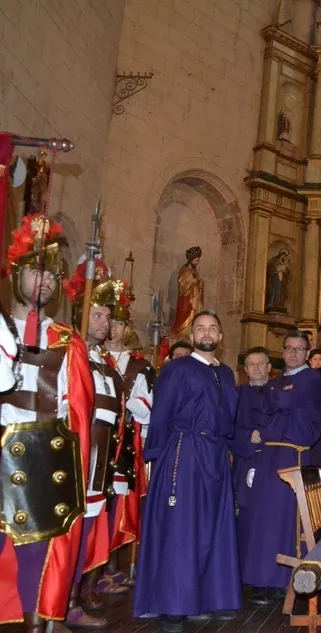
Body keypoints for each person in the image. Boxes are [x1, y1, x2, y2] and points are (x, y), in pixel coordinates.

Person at [0, 215, 94, 633]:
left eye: (53, 276)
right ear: (16, 274)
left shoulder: (67, 340)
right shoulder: (0, 327)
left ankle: (37, 625)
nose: (45, 282)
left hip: (46, 456)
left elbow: (79, 412)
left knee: (38, 556)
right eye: (36, 271)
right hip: (2, 450)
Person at [133, 311, 241, 632]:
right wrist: (156, 460)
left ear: (221, 337)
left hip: (216, 456)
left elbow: (230, 420)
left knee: (214, 527)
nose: (207, 333)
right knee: (181, 530)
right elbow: (161, 414)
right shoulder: (178, 368)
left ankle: (211, 596)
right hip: (185, 454)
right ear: (192, 336)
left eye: (212, 328)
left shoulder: (227, 373)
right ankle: (173, 606)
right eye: (200, 328)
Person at [62, 259, 129, 629]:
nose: (105, 324)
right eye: (98, 315)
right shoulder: (68, 351)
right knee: (69, 530)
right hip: (74, 457)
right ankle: (64, 600)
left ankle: (82, 590)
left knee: (91, 528)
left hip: (101, 459)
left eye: (107, 317)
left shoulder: (104, 362)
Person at [239, 332, 321, 604]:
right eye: (289, 348)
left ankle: (282, 580)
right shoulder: (275, 383)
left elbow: (283, 402)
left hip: (292, 456)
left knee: (285, 519)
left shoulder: (311, 378)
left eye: (299, 349)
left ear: (307, 354)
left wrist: (277, 398)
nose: (293, 353)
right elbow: (263, 407)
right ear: (283, 351)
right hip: (267, 455)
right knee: (262, 518)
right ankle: (259, 579)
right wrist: (278, 396)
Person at [100, 288, 154, 589]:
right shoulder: (93, 356)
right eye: (110, 322)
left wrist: (125, 400)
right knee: (97, 506)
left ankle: (110, 566)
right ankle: (95, 570)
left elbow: (145, 408)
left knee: (118, 505)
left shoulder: (138, 365)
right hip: (98, 440)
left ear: (126, 328)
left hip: (124, 445)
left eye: (119, 323)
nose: (113, 329)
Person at [233, 346, 271, 575]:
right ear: (245, 369)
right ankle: (244, 573)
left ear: (269, 367)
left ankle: (268, 574)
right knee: (246, 518)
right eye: (251, 364)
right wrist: (247, 436)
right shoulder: (236, 395)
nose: (256, 368)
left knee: (269, 519)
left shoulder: (280, 393)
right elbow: (226, 429)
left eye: (261, 363)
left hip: (273, 465)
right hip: (246, 462)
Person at [168, 247, 203, 341]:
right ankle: (182, 333)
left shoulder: (195, 272)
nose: (197, 262)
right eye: (195, 260)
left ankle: (190, 333)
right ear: (191, 259)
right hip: (186, 299)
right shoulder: (184, 270)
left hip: (194, 299)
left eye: (198, 260)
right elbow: (182, 283)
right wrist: (193, 281)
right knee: (184, 314)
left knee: (193, 315)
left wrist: (200, 283)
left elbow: (197, 282)